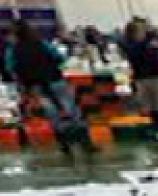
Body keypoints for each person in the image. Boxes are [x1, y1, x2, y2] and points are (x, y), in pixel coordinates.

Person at [6, 20, 93, 154]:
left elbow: (10, 68)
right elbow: (60, 57)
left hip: (35, 85)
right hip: (55, 80)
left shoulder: (12, 50)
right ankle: (85, 142)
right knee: (71, 109)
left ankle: (65, 144)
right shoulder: (42, 43)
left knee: (52, 113)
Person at [122, 19, 158, 141]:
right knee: (157, 105)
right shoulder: (134, 45)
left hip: (151, 77)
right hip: (151, 78)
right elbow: (144, 56)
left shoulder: (148, 42)